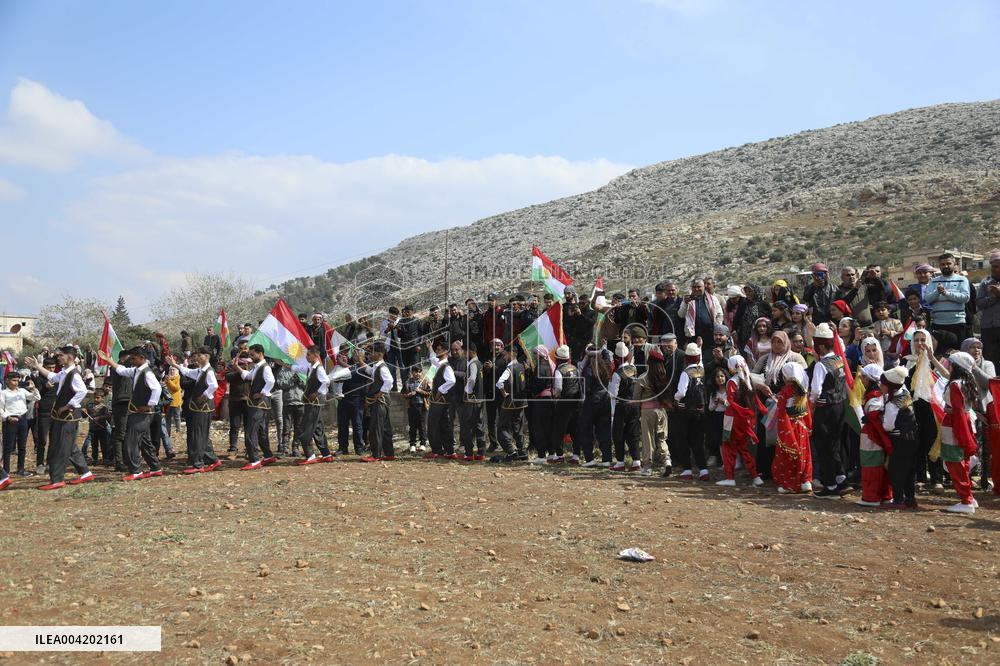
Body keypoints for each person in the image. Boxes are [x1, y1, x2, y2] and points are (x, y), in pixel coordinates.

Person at [24, 347, 94, 490]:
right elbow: (52, 376)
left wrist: (69, 406)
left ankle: (57, 479)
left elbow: (82, 391)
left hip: (68, 417)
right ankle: (85, 473)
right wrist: (37, 366)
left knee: (60, 448)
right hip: (62, 417)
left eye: (61, 356)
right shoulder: (64, 372)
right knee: (69, 445)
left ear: (69, 357)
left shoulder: (74, 374)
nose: (58, 358)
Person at [98, 347, 164, 481]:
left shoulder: (147, 373)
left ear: (142, 358)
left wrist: (149, 405)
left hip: (142, 414)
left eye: (133, 358)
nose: (131, 361)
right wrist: (108, 360)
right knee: (145, 441)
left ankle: (135, 470)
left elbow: (157, 389)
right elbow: (121, 370)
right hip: (137, 412)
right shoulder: (136, 371)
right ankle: (155, 468)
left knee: (130, 441)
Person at [166, 349, 223, 473]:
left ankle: (198, 464)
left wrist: (205, 395)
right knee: (201, 434)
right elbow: (187, 371)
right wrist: (174, 364)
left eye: (199, 355)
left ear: (206, 356)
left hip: (203, 408)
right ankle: (212, 460)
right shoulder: (200, 371)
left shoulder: (208, 371)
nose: (197, 358)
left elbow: (214, 385)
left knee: (198, 434)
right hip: (199, 408)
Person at [810, 323, 850, 498]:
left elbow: (816, 391)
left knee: (824, 446)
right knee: (834, 444)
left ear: (819, 346)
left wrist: (811, 403)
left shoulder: (821, 365)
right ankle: (841, 478)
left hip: (825, 408)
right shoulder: (839, 360)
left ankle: (830, 486)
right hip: (840, 406)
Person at [940, 351, 980, 513]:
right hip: (963, 423)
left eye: (951, 364)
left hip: (955, 427)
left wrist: (960, 431)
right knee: (961, 462)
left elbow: (956, 410)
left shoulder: (955, 384)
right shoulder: (967, 383)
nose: (948, 366)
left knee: (955, 462)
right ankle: (968, 496)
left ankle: (966, 500)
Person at [716, 356, 761, 487]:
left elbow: (731, 401)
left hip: (732, 419)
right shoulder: (748, 380)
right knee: (744, 448)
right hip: (744, 419)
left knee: (728, 447)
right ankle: (755, 476)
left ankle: (730, 477)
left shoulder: (732, 382)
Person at [232, 344, 277, 471]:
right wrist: (237, 367)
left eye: (252, 354)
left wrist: (262, 392)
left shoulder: (265, 367)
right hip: (260, 404)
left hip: (259, 403)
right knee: (261, 431)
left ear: (260, 353)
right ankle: (268, 455)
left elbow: (271, 381)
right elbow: (248, 376)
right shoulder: (257, 367)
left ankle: (254, 459)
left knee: (251, 430)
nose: (251, 357)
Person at [880, 365, 918, 509]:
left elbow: (888, 426)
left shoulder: (892, 404)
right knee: (909, 469)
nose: (880, 386)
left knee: (897, 469)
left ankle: (898, 499)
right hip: (912, 437)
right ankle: (910, 498)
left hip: (899, 440)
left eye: (883, 384)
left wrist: (881, 418)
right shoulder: (905, 394)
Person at [855, 364, 892, 507]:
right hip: (873, 436)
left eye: (864, 377)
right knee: (877, 465)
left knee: (871, 465)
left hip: (872, 437)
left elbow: (877, 421)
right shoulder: (877, 396)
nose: (862, 380)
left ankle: (871, 497)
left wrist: (870, 418)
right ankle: (884, 494)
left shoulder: (875, 398)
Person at [961, 337, 996, 491]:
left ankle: (984, 478)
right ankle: (970, 477)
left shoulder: (987, 364)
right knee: (970, 445)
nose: (976, 350)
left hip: (984, 410)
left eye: (979, 347)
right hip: (966, 410)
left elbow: (988, 383)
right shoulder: (958, 365)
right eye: (972, 347)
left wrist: (974, 367)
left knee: (985, 446)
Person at [772, 362, 813, 494]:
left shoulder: (785, 391)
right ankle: (805, 481)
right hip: (802, 427)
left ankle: (790, 484)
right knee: (804, 453)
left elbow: (782, 412)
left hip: (789, 426)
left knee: (789, 455)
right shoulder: (803, 389)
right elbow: (807, 410)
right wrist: (809, 425)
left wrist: (784, 431)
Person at [295, 346, 339, 465]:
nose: (306, 357)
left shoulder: (318, 368)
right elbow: (298, 368)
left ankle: (310, 455)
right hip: (312, 402)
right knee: (318, 428)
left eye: (308, 355)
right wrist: (284, 364)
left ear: (315, 355)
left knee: (306, 428)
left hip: (314, 402)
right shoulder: (311, 367)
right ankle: (326, 454)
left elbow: (326, 381)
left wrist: (318, 392)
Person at [673, 343, 709, 481]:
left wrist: (675, 398)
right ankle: (703, 470)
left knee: (683, 439)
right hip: (700, 410)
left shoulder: (685, 373)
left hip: (685, 410)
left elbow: (682, 392)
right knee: (698, 441)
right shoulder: (703, 371)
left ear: (686, 358)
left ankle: (687, 470)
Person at [609, 342, 641, 472]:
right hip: (634, 405)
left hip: (621, 406)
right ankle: (636, 461)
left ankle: (620, 462)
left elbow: (613, 394)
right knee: (633, 434)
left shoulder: (617, 374)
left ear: (616, 358)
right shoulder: (634, 369)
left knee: (618, 434)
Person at [361, 341, 395, 462]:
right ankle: (389, 453)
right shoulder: (377, 366)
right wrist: (360, 361)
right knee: (385, 428)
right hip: (381, 401)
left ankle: (376, 454)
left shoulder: (382, 367)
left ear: (379, 354)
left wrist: (380, 393)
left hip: (380, 401)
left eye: (372, 352)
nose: (370, 354)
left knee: (376, 427)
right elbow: (370, 371)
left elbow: (389, 381)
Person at [493, 345, 528, 462]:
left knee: (501, 428)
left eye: (506, 354)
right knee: (517, 427)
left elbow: (499, 383)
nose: (504, 357)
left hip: (510, 402)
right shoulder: (522, 366)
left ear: (512, 353)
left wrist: (503, 393)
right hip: (521, 402)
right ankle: (522, 451)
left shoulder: (509, 368)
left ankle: (511, 451)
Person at [1, 372, 39, 477]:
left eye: (17, 380)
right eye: (14, 380)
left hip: (22, 419)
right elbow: (0, 408)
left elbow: (36, 398)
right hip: (10, 420)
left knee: (22, 446)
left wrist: (33, 389)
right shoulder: (3, 393)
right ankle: (6, 471)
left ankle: (21, 469)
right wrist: (8, 417)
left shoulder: (22, 391)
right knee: (8, 447)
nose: (16, 383)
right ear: (7, 381)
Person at [926, 252, 970, 341]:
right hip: (938, 324)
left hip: (957, 323)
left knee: (958, 353)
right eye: (942, 264)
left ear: (954, 264)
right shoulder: (933, 281)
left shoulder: (962, 280)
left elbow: (965, 298)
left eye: (948, 263)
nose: (945, 266)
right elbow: (928, 299)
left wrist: (946, 293)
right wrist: (937, 292)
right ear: (939, 266)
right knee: (940, 353)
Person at [550, 344, 582, 464]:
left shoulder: (559, 371)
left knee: (559, 429)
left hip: (564, 403)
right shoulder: (575, 368)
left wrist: (556, 398)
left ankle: (559, 455)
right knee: (575, 430)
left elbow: (558, 388)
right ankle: (576, 456)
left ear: (557, 359)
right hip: (576, 403)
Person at [426, 340, 457, 459]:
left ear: (445, 351)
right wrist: (430, 348)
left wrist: (440, 390)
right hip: (438, 401)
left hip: (440, 401)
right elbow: (433, 359)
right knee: (444, 425)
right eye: (437, 349)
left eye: (439, 349)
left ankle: (438, 450)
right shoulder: (440, 363)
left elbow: (452, 380)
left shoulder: (446, 366)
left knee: (433, 425)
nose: (437, 351)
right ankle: (449, 450)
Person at [526, 344, 554, 465]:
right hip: (548, 400)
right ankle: (551, 453)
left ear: (541, 354)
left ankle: (542, 455)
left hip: (541, 400)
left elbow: (539, 384)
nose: (534, 355)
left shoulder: (541, 367)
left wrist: (531, 391)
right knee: (548, 427)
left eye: (535, 353)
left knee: (538, 427)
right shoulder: (548, 365)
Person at [977, 250, 1000, 372]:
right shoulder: (985, 283)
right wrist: (993, 297)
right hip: (988, 328)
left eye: (996, 267)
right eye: (992, 266)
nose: (993, 269)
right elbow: (979, 303)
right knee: (991, 360)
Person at [226, 353, 251, 454]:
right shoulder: (233, 367)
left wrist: (246, 371)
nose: (244, 363)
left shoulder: (252, 369)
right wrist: (239, 370)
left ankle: (249, 448)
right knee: (234, 426)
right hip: (234, 400)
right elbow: (228, 377)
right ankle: (233, 448)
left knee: (248, 426)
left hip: (248, 401)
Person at [402, 365, 428, 453]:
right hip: (412, 406)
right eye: (416, 372)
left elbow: (430, 393)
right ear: (412, 372)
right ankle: (412, 444)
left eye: (419, 372)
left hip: (422, 407)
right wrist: (409, 395)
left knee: (422, 426)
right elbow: (402, 394)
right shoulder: (407, 382)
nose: (418, 374)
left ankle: (423, 444)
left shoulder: (424, 382)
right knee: (412, 426)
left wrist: (421, 391)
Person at [80, 387, 110, 465]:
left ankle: (106, 459)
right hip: (93, 429)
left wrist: (99, 418)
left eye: (98, 398)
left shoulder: (104, 407)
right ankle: (94, 459)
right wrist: (84, 411)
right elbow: (84, 416)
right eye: (95, 398)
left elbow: (107, 416)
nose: (96, 399)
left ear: (102, 398)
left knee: (104, 444)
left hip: (102, 428)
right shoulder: (89, 406)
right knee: (94, 445)